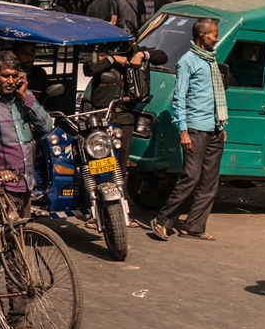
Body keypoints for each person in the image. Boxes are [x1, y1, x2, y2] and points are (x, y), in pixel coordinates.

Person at [0, 51, 54, 320]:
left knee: (13, 245)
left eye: (16, 76)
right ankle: (17, 315)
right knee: (15, 249)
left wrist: (27, 96)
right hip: (0, 187)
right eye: (6, 75)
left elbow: (48, 126)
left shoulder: (23, 102)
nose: (11, 80)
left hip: (24, 186)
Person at [82, 19, 168, 228]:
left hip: (125, 117)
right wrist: (112, 59)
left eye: (129, 42)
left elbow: (162, 56)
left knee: (120, 166)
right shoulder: (101, 50)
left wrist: (142, 55)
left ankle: (121, 210)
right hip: (101, 117)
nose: (125, 46)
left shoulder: (135, 51)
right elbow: (89, 68)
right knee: (97, 164)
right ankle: (95, 211)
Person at [151, 18, 226, 242]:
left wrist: (221, 125)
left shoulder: (211, 60)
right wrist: (183, 130)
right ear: (203, 35)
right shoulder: (188, 61)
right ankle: (163, 220)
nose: (217, 38)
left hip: (214, 128)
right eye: (214, 35)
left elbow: (214, 95)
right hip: (195, 128)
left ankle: (194, 226)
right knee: (191, 177)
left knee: (210, 182)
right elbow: (179, 97)